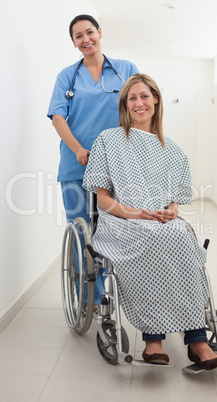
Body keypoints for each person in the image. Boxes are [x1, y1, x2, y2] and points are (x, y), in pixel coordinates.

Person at [82, 73, 217, 370]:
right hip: (120, 221)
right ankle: (153, 339)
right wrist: (135, 213)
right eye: (132, 98)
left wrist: (171, 209)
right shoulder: (109, 140)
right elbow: (103, 200)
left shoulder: (172, 150)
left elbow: (173, 199)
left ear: (156, 100)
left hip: (159, 221)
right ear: (125, 104)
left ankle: (197, 340)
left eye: (144, 96)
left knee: (181, 236)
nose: (139, 103)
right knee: (156, 239)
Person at [47, 14, 139, 308]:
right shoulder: (67, 76)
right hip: (76, 166)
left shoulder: (125, 70)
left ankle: (127, 293)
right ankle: (92, 299)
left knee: (114, 229)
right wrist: (77, 149)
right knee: (81, 231)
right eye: (78, 36)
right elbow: (58, 117)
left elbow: (140, 107)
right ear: (74, 43)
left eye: (90, 32)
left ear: (100, 32)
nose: (86, 39)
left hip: (117, 167)